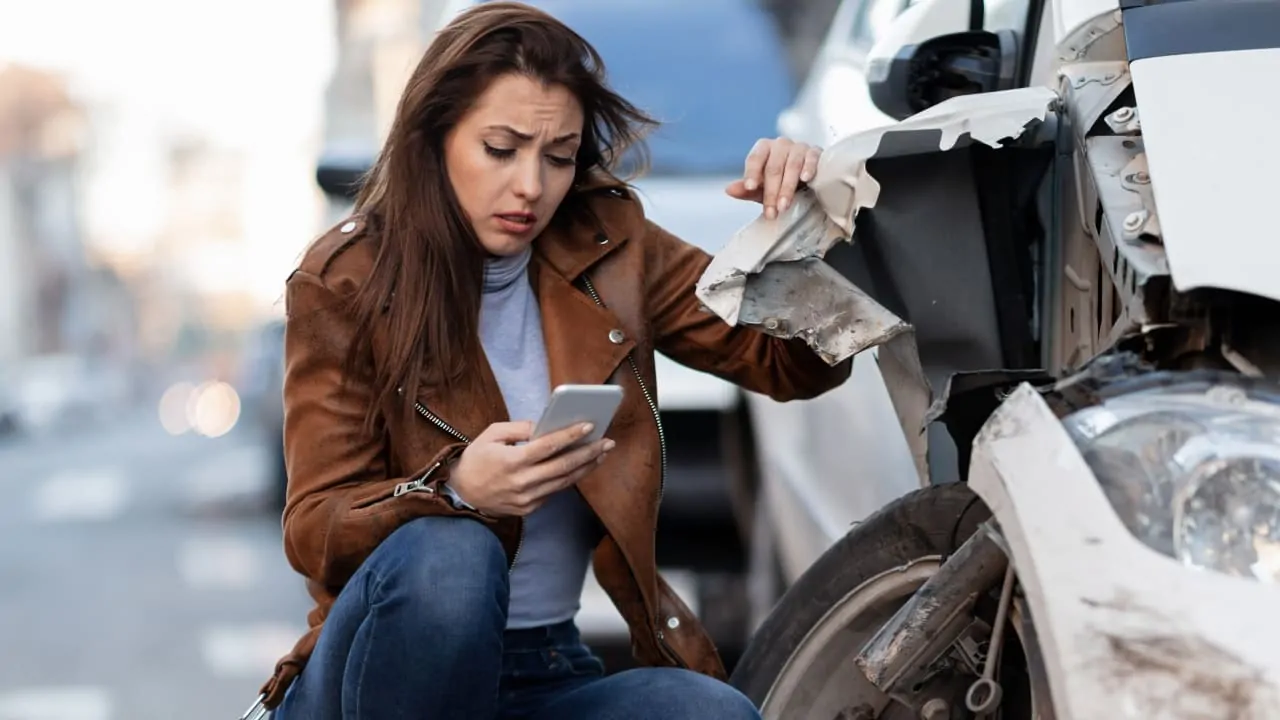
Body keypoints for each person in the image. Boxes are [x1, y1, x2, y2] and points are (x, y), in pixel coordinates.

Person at [259, 2, 852, 718]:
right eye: (501, 149)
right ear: (435, 138)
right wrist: (455, 492)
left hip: (545, 668)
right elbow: (314, 527)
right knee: (453, 558)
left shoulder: (610, 244)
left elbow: (793, 367)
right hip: (375, 677)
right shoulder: (347, 278)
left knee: (712, 714)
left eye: (559, 157)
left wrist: (799, 230)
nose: (531, 187)